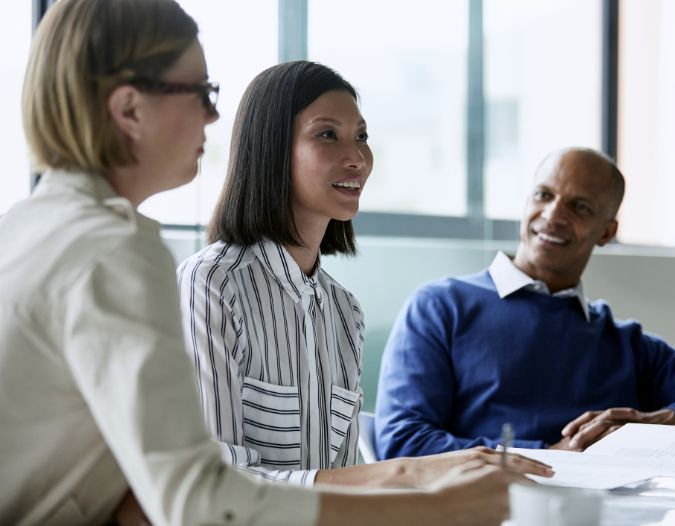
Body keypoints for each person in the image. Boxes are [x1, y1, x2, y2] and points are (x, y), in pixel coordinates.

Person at [0, 1, 533, 524]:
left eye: (362, 136)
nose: (212, 114)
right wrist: (425, 497)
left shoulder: (30, 230)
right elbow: (200, 501)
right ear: (129, 110)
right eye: (201, 93)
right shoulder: (123, 256)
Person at [177, 60, 551, 488]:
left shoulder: (343, 310)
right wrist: (407, 472)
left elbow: (342, 478)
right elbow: (215, 483)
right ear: (271, 148)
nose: (357, 158)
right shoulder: (211, 285)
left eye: (362, 137)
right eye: (327, 135)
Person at [375, 146, 675, 459]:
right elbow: (402, 441)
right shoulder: (440, 306)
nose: (553, 216)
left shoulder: (625, 343)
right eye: (543, 194)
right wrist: (553, 456)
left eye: (579, 207)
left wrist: (665, 419)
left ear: (606, 232)